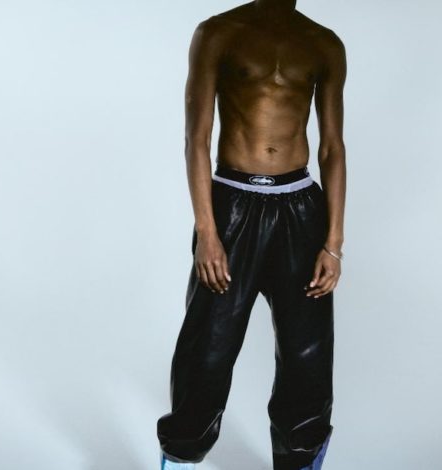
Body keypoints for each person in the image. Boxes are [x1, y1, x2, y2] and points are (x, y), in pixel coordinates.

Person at [156, 0, 346, 468]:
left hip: (300, 210)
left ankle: (299, 460)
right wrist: (207, 230)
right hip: (232, 208)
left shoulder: (324, 43)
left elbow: (332, 148)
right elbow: (196, 138)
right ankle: (179, 459)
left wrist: (333, 243)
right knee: (208, 353)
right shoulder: (219, 32)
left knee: (307, 359)